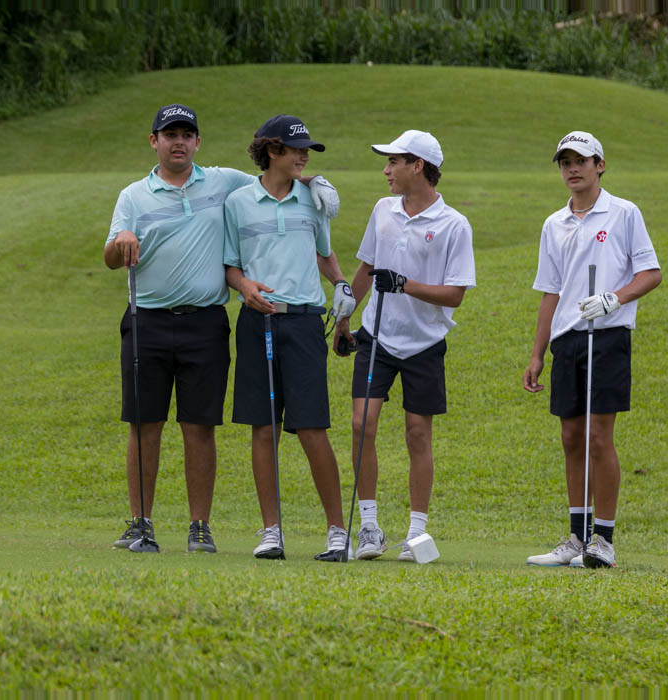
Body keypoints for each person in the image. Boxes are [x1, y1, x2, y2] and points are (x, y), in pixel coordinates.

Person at [104, 104, 340, 554]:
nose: (178, 142)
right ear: (154, 141)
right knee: (144, 424)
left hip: (206, 321)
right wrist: (122, 242)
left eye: (186, 135)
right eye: (169, 134)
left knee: (199, 426)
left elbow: (274, 180)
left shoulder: (223, 183)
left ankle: (200, 526)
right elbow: (111, 258)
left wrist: (315, 182)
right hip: (147, 320)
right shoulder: (133, 196)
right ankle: (140, 524)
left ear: (197, 142)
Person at [333, 130, 476, 562]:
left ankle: (416, 533)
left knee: (417, 434)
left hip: (424, 343)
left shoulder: (454, 224)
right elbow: (367, 268)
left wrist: (405, 285)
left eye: (394, 162)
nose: (386, 170)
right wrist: (345, 317)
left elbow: (455, 295)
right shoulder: (383, 210)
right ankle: (370, 527)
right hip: (377, 336)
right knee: (361, 425)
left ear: (418, 166)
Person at [522, 130, 662, 568]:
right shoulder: (554, 223)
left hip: (607, 337)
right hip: (568, 339)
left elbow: (651, 273)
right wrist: (537, 353)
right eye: (565, 163)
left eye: (581, 161)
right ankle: (576, 537)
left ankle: (603, 540)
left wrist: (614, 299)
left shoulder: (623, 213)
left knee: (599, 437)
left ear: (600, 165)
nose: (573, 169)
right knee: (571, 437)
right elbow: (550, 291)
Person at [223, 114, 357, 562]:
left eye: (307, 151)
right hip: (257, 322)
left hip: (304, 324)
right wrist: (244, 286)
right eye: (297, 149)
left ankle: (337, 532)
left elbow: (324, 253)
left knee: (313, 429)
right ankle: (271, 532)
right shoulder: (238, 203)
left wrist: (341, 285)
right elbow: (230, 265)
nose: (304, 157)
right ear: (272, 150)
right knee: (264, 429)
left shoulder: (313, 199)